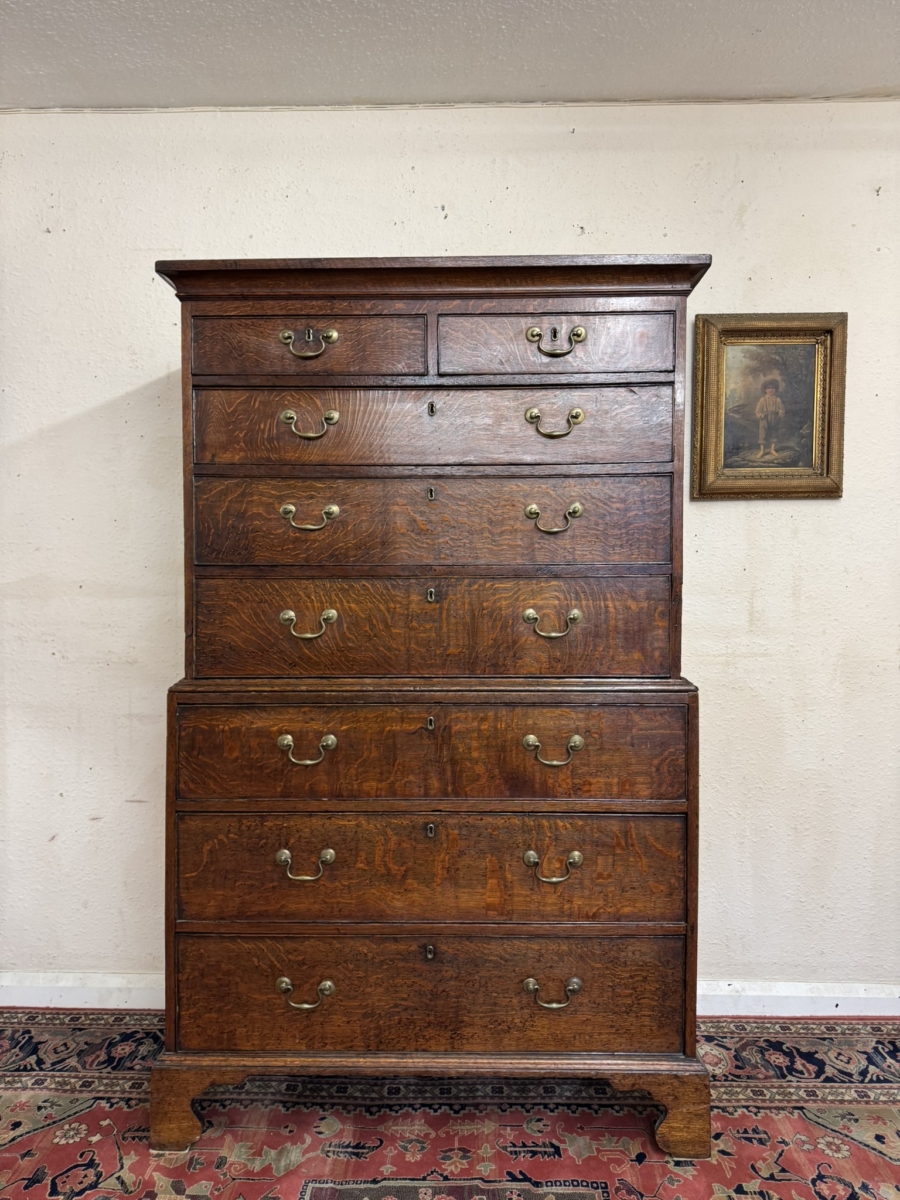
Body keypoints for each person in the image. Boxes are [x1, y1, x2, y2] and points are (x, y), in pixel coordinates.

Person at [754, 379, 785, 459]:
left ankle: (772, 449)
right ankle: (762, 450)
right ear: (765, 390)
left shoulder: (778, 400)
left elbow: (781, 409)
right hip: (765, 418)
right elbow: (757, 410)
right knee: (763, 433)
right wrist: (761, 415)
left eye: (773, 388)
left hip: (774, 418)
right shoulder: (762, 400)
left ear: (775, 390)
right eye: (768, 388)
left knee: (774, 433)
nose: (771, 390)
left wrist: (780, 414)